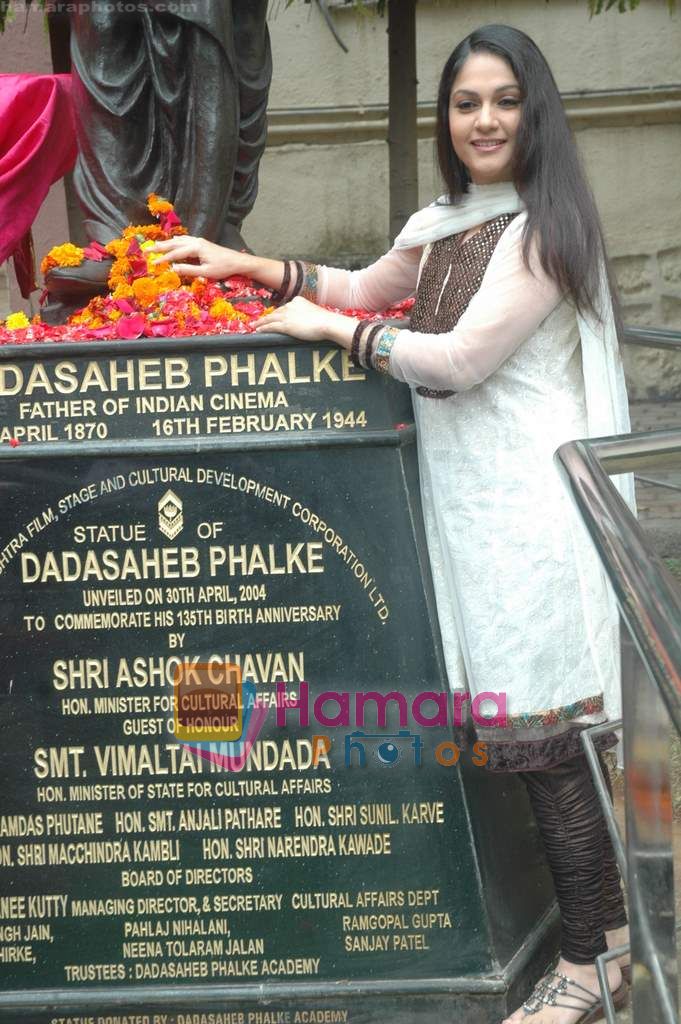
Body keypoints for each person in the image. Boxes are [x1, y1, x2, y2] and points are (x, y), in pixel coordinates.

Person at [155, 24, 634, 1024]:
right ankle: (603, 943)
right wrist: (238, 263)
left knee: (549, 744)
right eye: (466, 103)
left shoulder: (542, 232)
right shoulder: (446, 223)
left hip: (535, 521)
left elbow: (456, 362)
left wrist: (334, 331)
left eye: (505, 100)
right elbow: (361, 287)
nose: (484, 120)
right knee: (531, 745)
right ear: (445, 118)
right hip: (476, 517)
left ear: (536, 112)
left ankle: (594, 962)